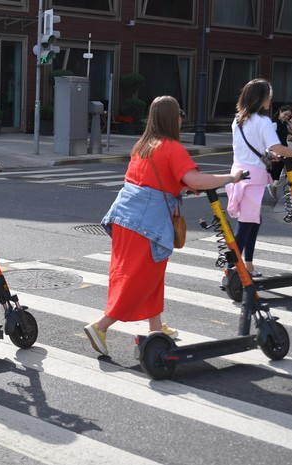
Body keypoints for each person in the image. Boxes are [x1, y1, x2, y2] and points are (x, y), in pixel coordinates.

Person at [83, 95, 246, 357]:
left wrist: (182, 185)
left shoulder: (143, 145)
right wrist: (230, 177)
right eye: (180, 112)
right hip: (147, 224)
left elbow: (153, 178)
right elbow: (194, 178)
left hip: (125, 218)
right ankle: (101, 326)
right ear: (173, 117)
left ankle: (156, 328)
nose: (182, 117)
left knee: (149, 275)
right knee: (138, 278)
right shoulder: (171, 147)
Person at [225, 78, 292, 278]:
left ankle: (247, 266)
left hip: (240, 174)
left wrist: (268, 155)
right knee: (245, 224)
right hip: (253, 178)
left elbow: (252, 149)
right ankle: (231, 270)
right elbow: (277, 147)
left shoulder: (238, 120)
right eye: (269, 95)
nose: (270, 99)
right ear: (261, 98)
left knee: (253, 221)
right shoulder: (263, 121)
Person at [267, 105, 292, 197]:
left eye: (288, 116)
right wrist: (271, 152)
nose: (286, 117)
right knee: (273, 171)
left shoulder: (283, 123)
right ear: (280, 111)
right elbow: (269, 138)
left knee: (282, 170)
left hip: (283, 150)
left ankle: (273, 186)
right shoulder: (275, 123)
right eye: (285, 114)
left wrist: (288, 121)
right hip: (277, 151)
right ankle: (271, 185)